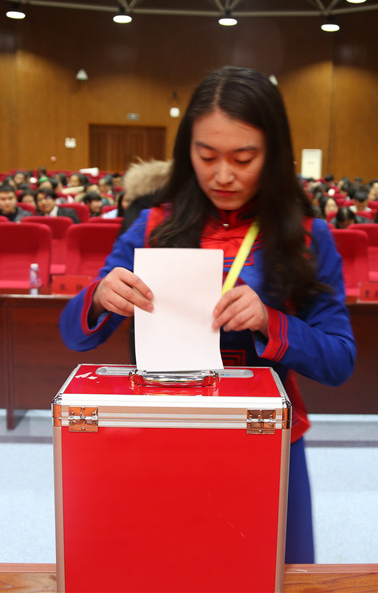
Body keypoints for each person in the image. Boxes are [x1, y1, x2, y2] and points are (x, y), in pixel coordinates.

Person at [59, 66, 356, 564]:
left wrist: (271, 322)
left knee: (263, 570)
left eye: (243, 158)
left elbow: (340, 360)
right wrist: (100, 296)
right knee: (165, 567)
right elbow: (75, 335)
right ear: (187, 151)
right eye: (206, 155)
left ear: (274, 154)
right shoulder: (153, 226)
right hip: (161, 434)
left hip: (264, 439)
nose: (223, 175)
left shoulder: (306, 237)